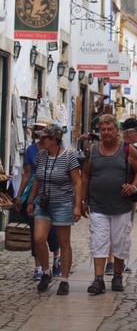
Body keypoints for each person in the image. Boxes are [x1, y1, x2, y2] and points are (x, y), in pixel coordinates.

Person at [81, 114, 137, 295]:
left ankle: (117, 276)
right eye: (103, 129)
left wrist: (134, 187)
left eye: (110, 129)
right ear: (100, 131)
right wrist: (83, 200)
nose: (107, 132)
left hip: (121, 206)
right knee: (98, 240)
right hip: (98, 205)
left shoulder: (128, 150)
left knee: (120, 242)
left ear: (117, 131)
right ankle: (98, 279)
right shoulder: (92, 151)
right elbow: (85, 175)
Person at [26, 124, 82, 295]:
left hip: (62, 204)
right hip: (43, 204)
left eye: (44, 138)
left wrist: (77, 205)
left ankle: (64, 280)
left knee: (64, 242)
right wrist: (30, 200)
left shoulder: (68, 157)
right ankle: (46, 272)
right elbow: (37, 179)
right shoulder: (41, 156)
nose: (40, 141)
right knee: (38, 239)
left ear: (54, 140)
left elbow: (77, 182)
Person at [15, 123, 61, 280]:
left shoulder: (59, 152)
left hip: (54, 194)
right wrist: (20, 195)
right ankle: (39, 266)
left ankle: (56, 258)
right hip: (36, 194)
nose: (41, 134)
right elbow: (27, 175)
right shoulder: (32, 150)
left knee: (54, 232)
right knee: (36, 230)